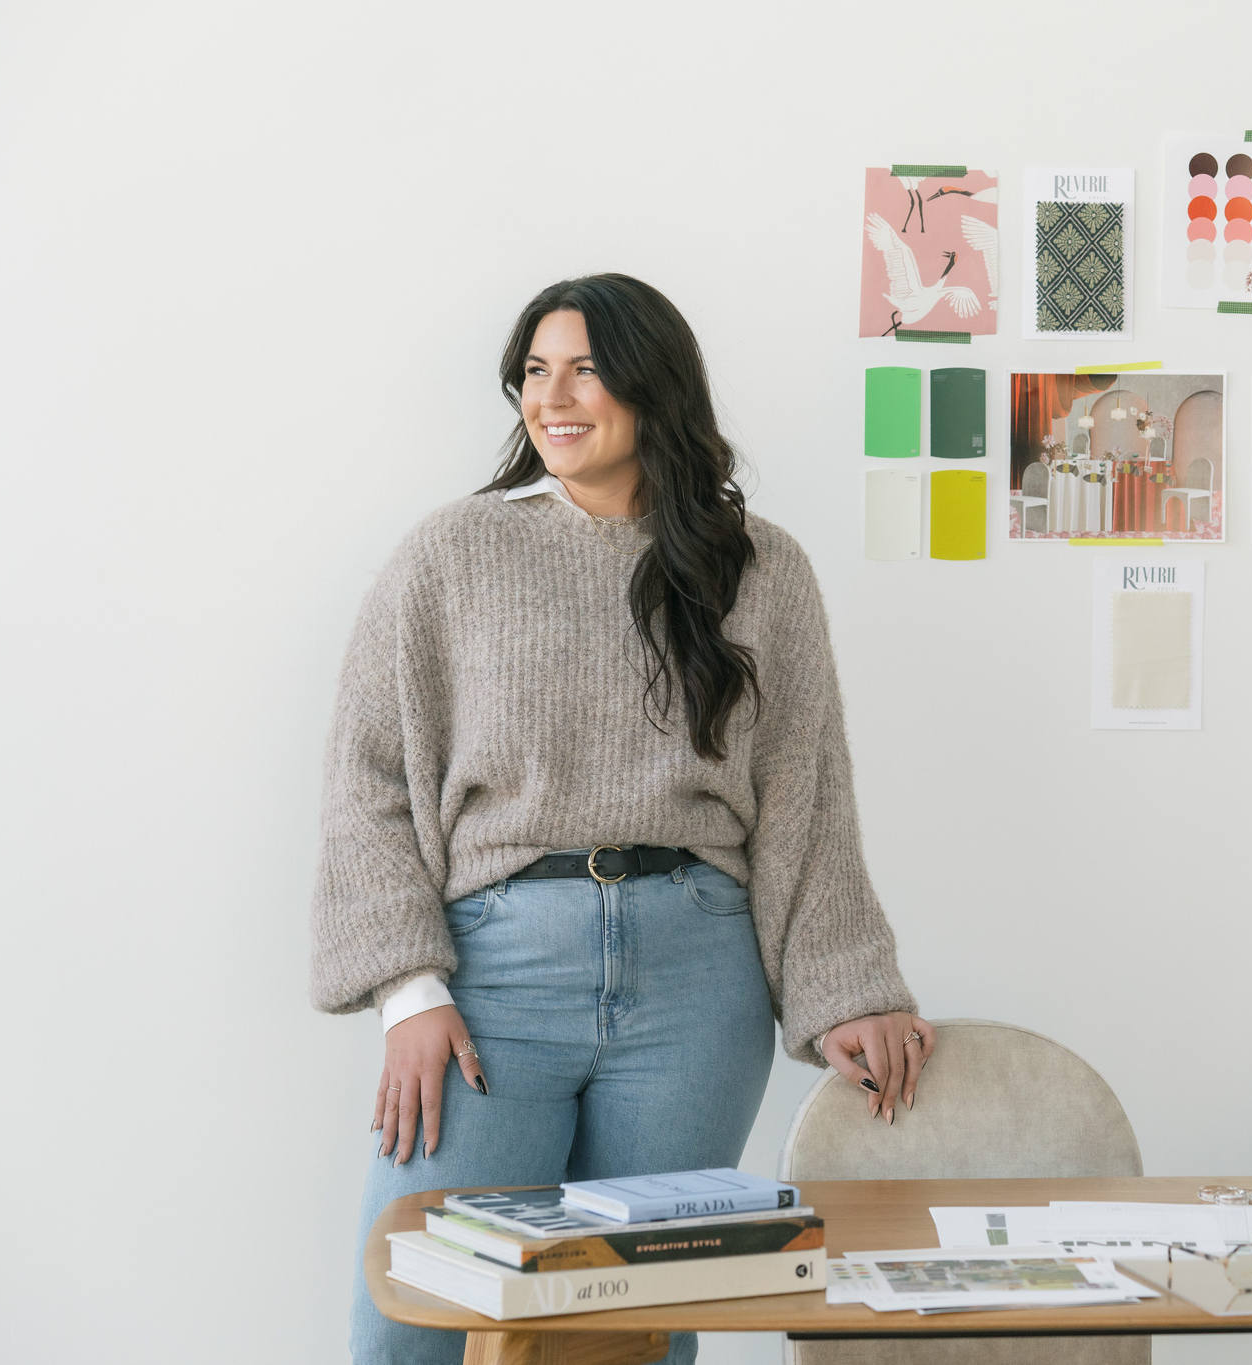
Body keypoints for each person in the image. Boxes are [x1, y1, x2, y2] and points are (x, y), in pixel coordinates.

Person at [309, 274, 937, 1365]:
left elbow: (805, 791)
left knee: (628, 1335)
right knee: (412, 1327)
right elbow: (368, 779)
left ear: (655, 387)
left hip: (698, 980)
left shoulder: (760, 569)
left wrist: (849, 985)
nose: (551, 397)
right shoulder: (451, 554)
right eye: (533, 372)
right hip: (495, 974)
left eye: (585, 369)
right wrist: (408, 993)